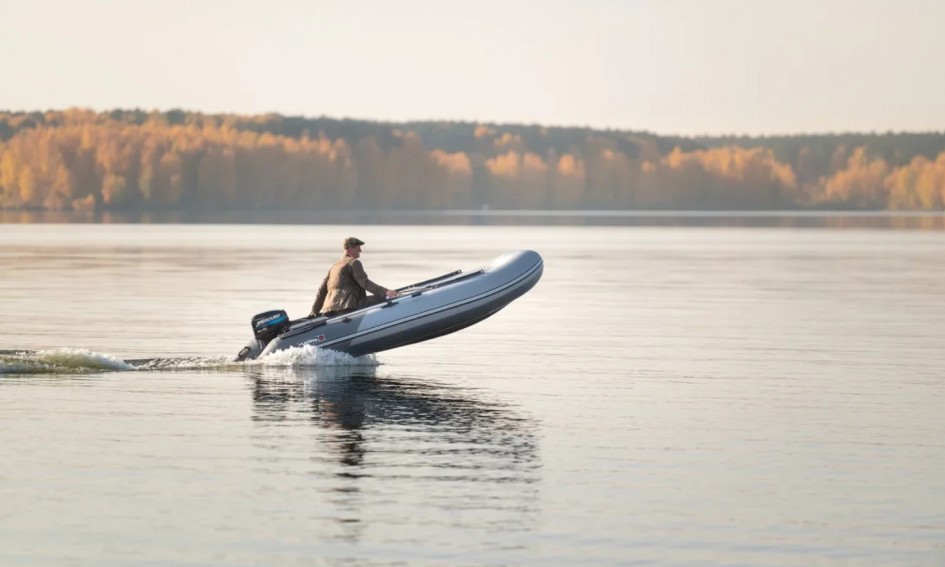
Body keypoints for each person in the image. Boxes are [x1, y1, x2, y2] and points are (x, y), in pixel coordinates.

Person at [309, 237, 399, 317]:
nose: (360, 251)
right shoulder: (354, 263)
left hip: (330, 309)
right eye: (358, 248)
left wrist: (314, 311)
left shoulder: (335, 266)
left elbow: (322, 290)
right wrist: (386, 292)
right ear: (350, 248)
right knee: (384, 298)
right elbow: (365, 283)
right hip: (349, 306)